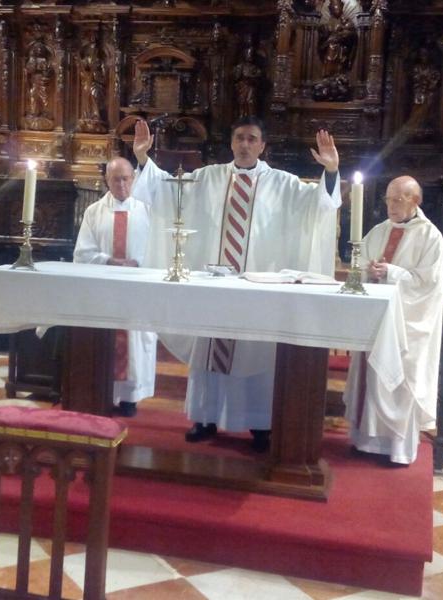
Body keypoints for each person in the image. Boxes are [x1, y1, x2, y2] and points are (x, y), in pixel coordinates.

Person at [132, 116, 341, 451]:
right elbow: (167, 191)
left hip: (256, 290)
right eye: (239, 137)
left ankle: (259, 424)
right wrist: (143, 158)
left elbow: (319, 205)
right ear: (231, 143)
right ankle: (205, 417)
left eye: (252, 138)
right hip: (214, 288)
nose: (245, 144)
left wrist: (330, 171)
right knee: (210, 349)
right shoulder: (207, 178)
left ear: (262, 145)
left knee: (256, 354)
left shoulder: (284, 184)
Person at [343, 175, 443, 465]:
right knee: (370, 379)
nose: (391, 205)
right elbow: (359, 264)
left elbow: (428, 283)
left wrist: (391, 272)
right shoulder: (378, 231)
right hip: (376, 323)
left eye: (398, 199)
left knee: (400, 383)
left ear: (416, 200)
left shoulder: (430, 237)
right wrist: (368, 269)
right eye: (388, 199)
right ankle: (365, 442)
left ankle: (397, 450)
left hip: (407, 326)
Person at [74, 157, 157, 417]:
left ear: (134, 178)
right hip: (105, 290)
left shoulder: (148, 210)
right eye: (115, 179)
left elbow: (158, 249)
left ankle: (131, 398)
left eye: (125, 179)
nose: (121, 184)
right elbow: (82, 252)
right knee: (106, 340)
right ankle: (104, 393)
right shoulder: (94, 212)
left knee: (136, 342)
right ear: (106, 180)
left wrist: (138, 263)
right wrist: (110, 261)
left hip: (137, 290)